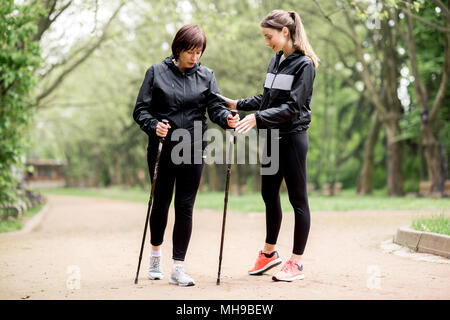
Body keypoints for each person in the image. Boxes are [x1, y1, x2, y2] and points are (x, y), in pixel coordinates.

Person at [133, 24, 239, 287]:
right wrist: (153, 125)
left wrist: (227, 119)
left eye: (199, 52)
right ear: (178, 48)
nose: (195, 57)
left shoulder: (206, 76)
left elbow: (214, 108)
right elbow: (141, 110)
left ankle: (178, 267)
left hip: (193, 148)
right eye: (190, 51)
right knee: (161, 203)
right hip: (162, 149)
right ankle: (155, 256)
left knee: (185, 206)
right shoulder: (155, 72)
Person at [219, 10, 319, 282]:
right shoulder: (276, 60)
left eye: (269, 36)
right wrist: (236, 104)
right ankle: (269, 254)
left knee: (298, 201)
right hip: (271, 140)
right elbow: (268, 98)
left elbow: (292, 108)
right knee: (268, 195)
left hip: (293, 139)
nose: (267, 42)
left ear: (285, 32)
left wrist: (256, 118)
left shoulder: (305, 65)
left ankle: (296, 263)